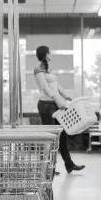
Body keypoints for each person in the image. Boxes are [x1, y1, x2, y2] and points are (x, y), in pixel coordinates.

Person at [33, 45, 85, 174]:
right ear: (45, 54)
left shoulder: (49, 70)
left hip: (55, 104)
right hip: (46, 105)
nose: (52, 55)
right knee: (50, 138)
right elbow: (44, 87)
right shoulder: (38, 69)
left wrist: (67, 97)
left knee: (62, 136)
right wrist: (57, 99)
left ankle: (69, 165)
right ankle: (47, 168)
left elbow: (57, 86)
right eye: (50, 53)